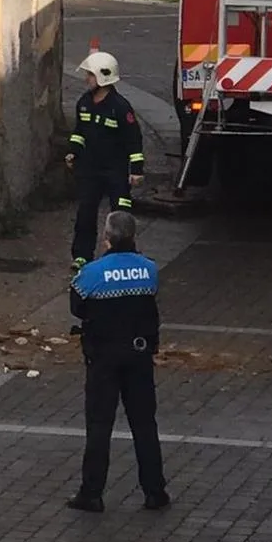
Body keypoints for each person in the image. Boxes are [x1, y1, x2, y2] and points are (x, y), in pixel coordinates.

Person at [66, 210, 169, 512]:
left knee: (99, 425)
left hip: (103, 359)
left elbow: (78, 308)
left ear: (107, 238)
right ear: (134, 236)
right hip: (139, 356)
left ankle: (92, 493)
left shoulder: (92, 274)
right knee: (144, 425)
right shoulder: (149, 269)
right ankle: (155, 491)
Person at [65, 50, 144, 272]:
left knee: (121, 215)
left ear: (103, 77)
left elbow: (133, 139)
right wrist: (73, 151)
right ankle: (82, 255)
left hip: (116, 172)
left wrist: (136, 169)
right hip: (90, 170)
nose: (86, 79)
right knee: (85, 213)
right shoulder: (84, 103)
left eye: (90, 75)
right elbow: (79, 132)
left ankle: (126, 255)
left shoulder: (120, 107)